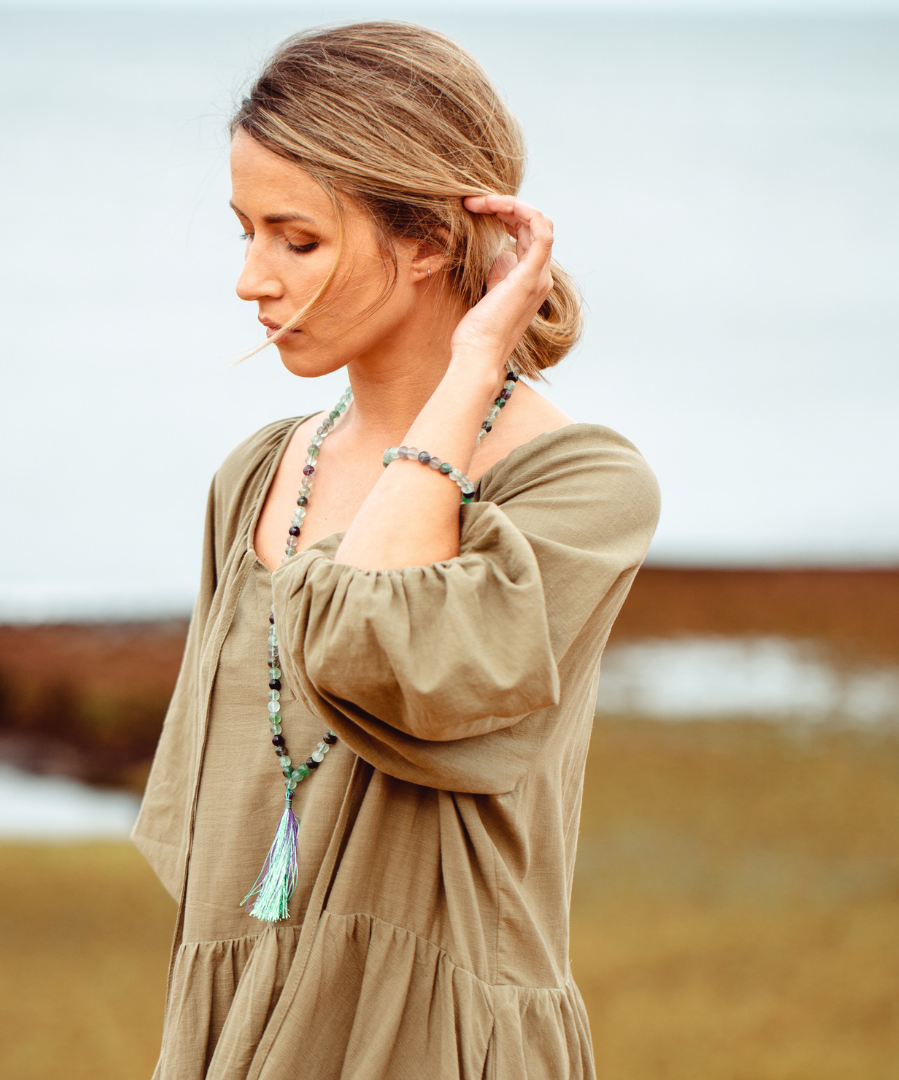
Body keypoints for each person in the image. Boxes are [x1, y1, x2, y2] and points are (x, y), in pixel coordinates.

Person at [132, 20, 659, 1080]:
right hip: (235, 1030)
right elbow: (210, 828)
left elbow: (382, 652)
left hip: (436, 1039)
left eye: (297, 238)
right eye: (245, 232)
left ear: (425, 238)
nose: (250, 280)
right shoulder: (253, 479)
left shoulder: (583, 488)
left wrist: (473, 365)